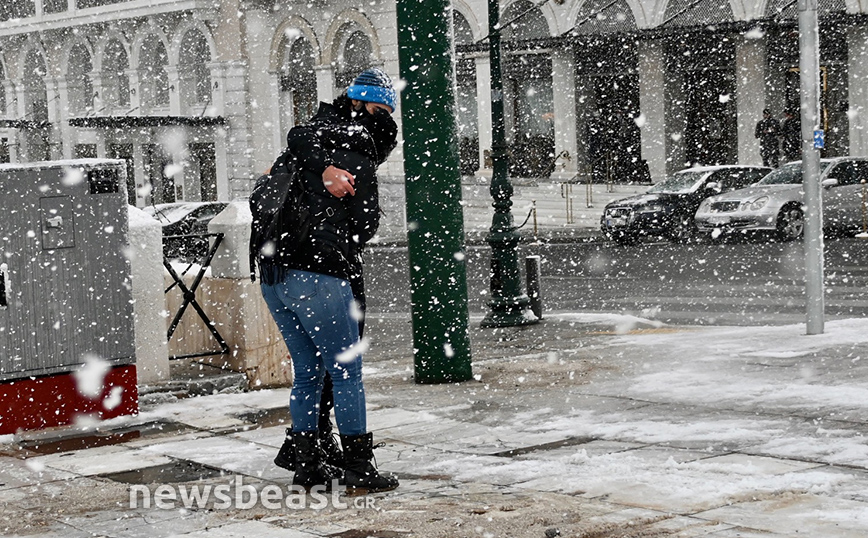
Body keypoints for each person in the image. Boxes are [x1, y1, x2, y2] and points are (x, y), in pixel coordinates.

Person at [260, 67, 399, 493]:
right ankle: (359, 464)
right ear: (360, 106)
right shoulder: (354, 147)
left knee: (307, 372)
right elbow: (364, 223)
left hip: (273, 275)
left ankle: (308, 463)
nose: (384, 123)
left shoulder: (307, 140)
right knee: (346, 372)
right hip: (320, 273)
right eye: (379, 111)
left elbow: (277, 175)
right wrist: (343, 232)